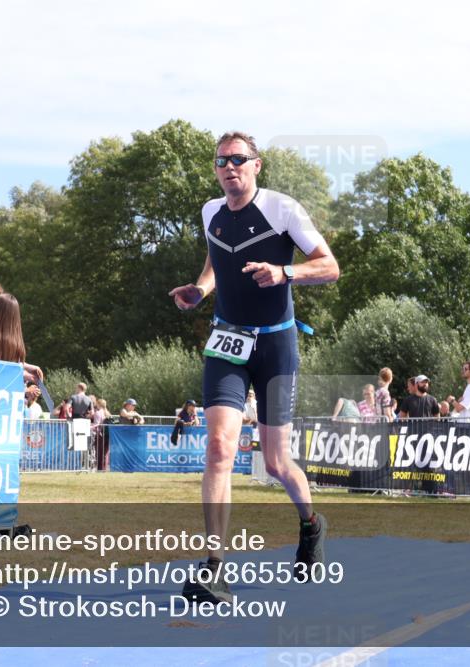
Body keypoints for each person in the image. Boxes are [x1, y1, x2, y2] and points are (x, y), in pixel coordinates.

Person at [169, 130, 339, 603]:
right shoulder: (210, 212)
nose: (229, 167)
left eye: (238, 159)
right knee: (220, 448)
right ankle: (215, 568)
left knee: (275, 460)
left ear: (256, 165)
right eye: (221, 160)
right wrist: (201, 290)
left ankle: (310, 523)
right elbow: (214, 256)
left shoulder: (282, 209)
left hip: (276, 345)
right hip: (227, 341)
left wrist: (286, 272)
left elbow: (330, 265)